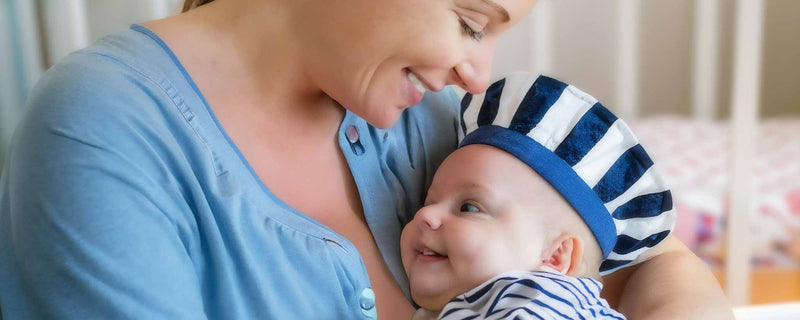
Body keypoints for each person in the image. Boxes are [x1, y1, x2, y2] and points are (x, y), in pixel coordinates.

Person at [0, 0, 732, 319]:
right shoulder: (106, 127)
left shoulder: (429, 124)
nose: (478, 75)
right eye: (469, 22)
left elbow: (659, 260)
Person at [402, 73, 672, 319]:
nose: (425, 214)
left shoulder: (536, 303)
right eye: (428, 201)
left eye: (469, 208)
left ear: (555, 257)